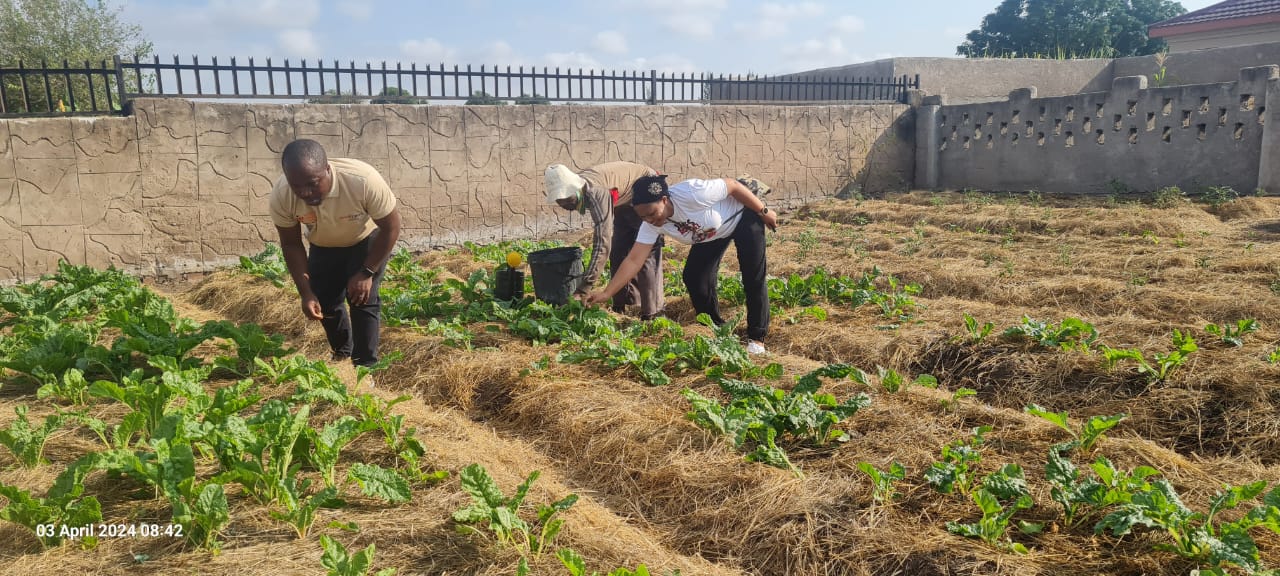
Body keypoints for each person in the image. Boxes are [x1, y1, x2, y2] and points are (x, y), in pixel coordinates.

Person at [584, 175, 778, 354]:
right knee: (694, 277)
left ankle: (757, 338)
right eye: (643, 217)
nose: (649, 220)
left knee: (752, 276)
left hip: (742, 216)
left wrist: (764, 211)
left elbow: (734, 185)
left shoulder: (692, 193)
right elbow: (634, 260)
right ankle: (715, 328)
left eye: (651, 213)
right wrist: (607, 293)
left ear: (664, 200)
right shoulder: (650, 224)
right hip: (710, 233)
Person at [269, 139, 401, 369]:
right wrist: (306, 292)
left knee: (362, 300)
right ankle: (342, 353)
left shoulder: (362, 180)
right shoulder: (282, 195)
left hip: (364, 240)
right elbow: (291, 244)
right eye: (296, 186)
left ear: (327, 169)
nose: (305, 193)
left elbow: (392, 227)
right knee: (325, 301)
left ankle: (365, 368)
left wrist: (366, 272)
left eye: (312, 183)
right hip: (323, 245)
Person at [545, 162, 666, 320]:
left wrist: (584, 288)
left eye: (566, 198)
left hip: (645, 191)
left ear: (575, 188)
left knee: (644, 255)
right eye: (559, 200)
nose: (564, 204)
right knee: (618, 251)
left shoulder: (594, 192)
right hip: (624, 200)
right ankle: (626, 306)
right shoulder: (582, 188)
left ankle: (653, 314)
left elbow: (602, 242)